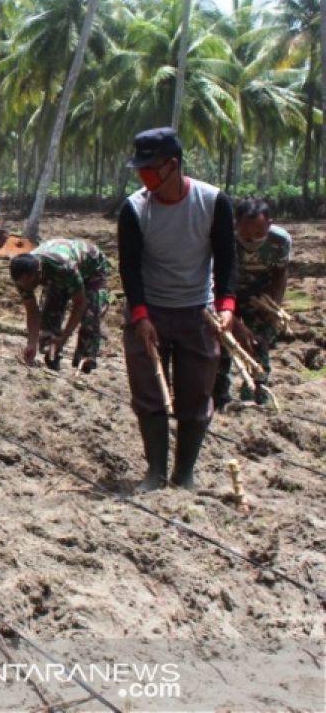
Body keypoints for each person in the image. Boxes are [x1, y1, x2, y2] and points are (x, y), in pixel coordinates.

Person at [119, 127, 236, 491]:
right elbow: (130, 268)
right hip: (150, 312)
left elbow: (227, 260)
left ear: (173, 165)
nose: (144, 177)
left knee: (196, 395)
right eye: (140, 170)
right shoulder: (135, 209)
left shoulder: (213, 202)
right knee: (150, 394)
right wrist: (140, 315)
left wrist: (227, 307)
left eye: (150, 168)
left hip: (197, 313)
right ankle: (155, 472)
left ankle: (184, 473)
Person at [213, 198, 292, 407]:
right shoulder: (223, 239)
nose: (252, 240)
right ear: (235, 225)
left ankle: (256, 396)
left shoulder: (279, 241)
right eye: (246, 236)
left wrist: (273, 306)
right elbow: (211, 279)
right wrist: (235, 324)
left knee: (258, 343)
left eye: (259, 235)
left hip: (260, 297)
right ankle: (219, 398)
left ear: (269, 224)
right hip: (225, 294)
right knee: (223, 344)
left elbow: (280, 273)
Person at [9, 239, 110, 373]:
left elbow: (80, 303)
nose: (27, 287)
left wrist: (64, 337)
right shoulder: (22, 278)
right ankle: (52, 354)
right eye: (23, 285)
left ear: (38, 273)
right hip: (58, 274)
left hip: (91, 267)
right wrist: (31, 343)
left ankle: (85, 360)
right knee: (50, 311)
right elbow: (32, 311)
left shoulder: (63, 267)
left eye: (30, 283)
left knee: (91, 314)